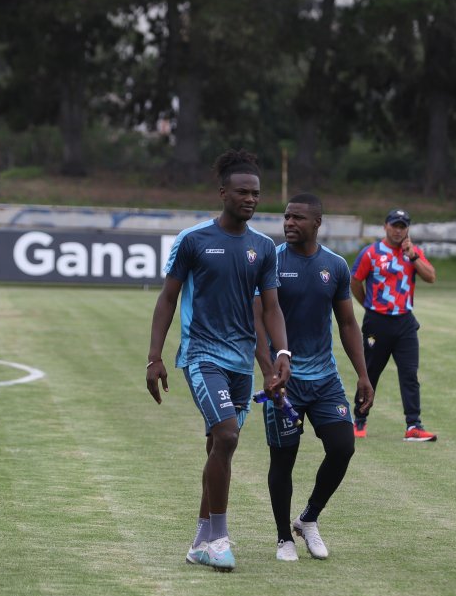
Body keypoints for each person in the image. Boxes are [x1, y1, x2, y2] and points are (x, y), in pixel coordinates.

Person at [145, 149, 291, 572]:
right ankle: (220, 539)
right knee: (226, 437)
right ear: (223, 192)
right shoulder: (193, 240)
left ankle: (200, 542)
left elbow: (270, 309)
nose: (251, 199)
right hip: (201, 355)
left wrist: (279, 355)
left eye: (256, 193)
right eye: (243, 192)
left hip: (240, 362)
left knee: (218, 447)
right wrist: (154, 357)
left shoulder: (264, 248)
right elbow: (168, 298)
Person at [253, 193, 375, 562]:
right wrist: (268, 369)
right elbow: (258, 321)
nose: (289, 223)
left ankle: (307, 518)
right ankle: (283, 539)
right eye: (286, 217)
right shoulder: (271, 261)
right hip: (284, 381)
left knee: (343, 447)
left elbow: (348, 323)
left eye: (297, 218)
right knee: (283, 459)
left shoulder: (335, 266)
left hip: (325, 379)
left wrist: (364, 375)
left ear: (317, 223)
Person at [351, 209, 438, 441]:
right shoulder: (371, 253)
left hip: (405, 322)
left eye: (402, 226)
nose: (398, 230)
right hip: (377, 322)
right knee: (370, 372)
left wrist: (413, 257)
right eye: (394, 225)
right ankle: (359, 419)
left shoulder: (412, 252)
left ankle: (413, 425)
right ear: (385, 226)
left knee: (409, 374)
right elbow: (355, 281)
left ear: (407, 229)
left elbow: (431, 276)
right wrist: (368, 305)